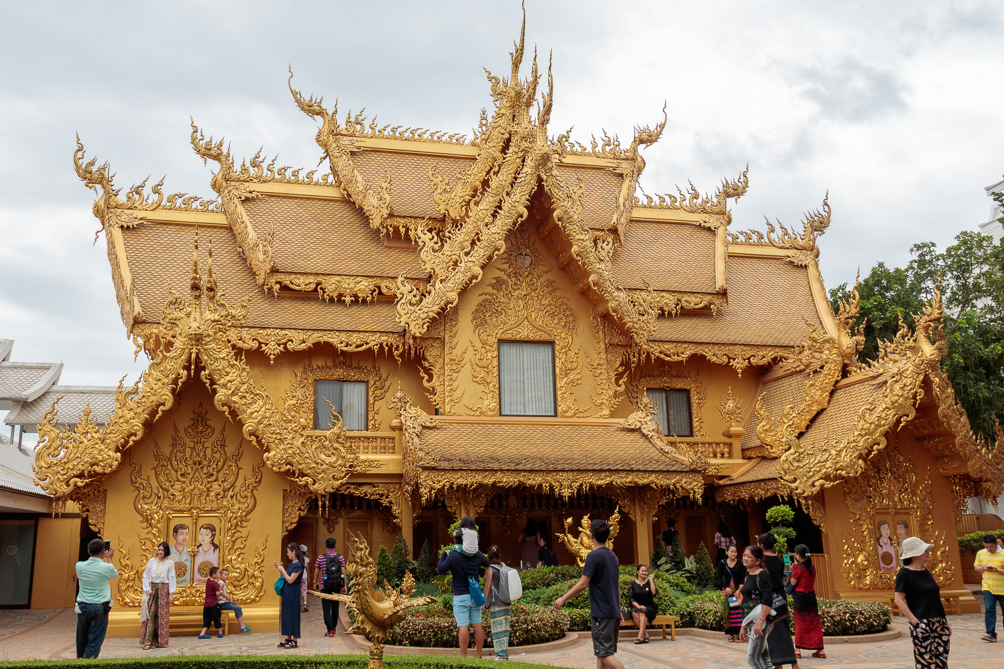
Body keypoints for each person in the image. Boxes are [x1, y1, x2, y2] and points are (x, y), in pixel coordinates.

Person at [554, 519, 625, 669]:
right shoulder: (613, 556)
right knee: (601, 652)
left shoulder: (593, 556)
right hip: (612, 612)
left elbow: (583, 583)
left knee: (605, 654)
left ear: (591, 535)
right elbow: (617, 584)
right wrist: (618, 609)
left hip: (602, 613)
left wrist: (563, 598)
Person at [895, 537, 950, 668]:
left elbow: (934, 597)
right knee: (926, 662)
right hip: (921, 621)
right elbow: (898, 599)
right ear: (915, 554)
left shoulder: (925, 572)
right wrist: (914, 621)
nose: (927, 552)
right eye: (924, 550)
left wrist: (944, 622)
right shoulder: (904, 574)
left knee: (941, 661)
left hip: (939, 621)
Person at [439, 527, 489, 657]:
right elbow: (487, 562)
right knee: (477, 625)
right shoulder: (476, 554)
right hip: (475, 596)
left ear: (456, 541)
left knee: (463, 626)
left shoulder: (454, 555)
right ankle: (478, 655)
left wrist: (444, 554)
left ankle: (463, 657)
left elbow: (440, 569)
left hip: (461, 596)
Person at [759, 533, 798, 669]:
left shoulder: (761, 561)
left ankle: (778, 664)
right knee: (784, 629)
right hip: (781, 597)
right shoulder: (780, 560)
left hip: (769, 598)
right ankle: (793, 662)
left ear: (762, 545)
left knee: (771, 632)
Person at [75, 538, 119, 659]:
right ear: (103, 551)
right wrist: (109, 558)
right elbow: (114, 574)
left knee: (81, 638)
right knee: (94, 640)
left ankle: (80, 661)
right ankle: (88, 663)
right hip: (99, 607)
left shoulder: (79, 566)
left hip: (83, 606)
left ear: (88, 552)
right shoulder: (106, 567)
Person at [738, 545, 777, 669]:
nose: (745, 558)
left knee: (752, 658)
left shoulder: (763, 575)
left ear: (758, 560)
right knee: (764, 657)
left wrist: (760, 621)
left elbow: (767, 599)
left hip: (759, 621)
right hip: (751, 620)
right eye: (744, 555)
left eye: (749, 556)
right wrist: (744, 624)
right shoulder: (748, 574)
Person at [789, 545, 824, 659]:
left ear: (798, 555)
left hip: (801, 597)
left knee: (800, 623)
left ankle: (797, 650)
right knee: (814, 623)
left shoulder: (798, 569)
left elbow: (793, 583)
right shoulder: (812, 567)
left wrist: (793, 569)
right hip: (811, 597)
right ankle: (820, 650)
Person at [140, 541, 176, 650]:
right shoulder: (151, 561)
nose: (160, 552)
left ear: (166, 551)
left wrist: (171, 593)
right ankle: (148, 641)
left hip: (164, 591)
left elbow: (172, 578)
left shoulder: (170, 563)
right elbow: (145, 575)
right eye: (159, 550)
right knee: (150, 615)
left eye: (163, 550)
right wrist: (147, 588)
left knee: (161, 617)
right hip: (152, 590)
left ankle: (158, 641)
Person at [313, 537, 347, 637]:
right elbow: (343, 572)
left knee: (326, 608)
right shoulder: (340, 557)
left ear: (325, 546)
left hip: (325, 585)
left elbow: (316, 572)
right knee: (335, 608)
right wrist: (344, 585)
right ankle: (334, 628)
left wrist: (315, 583)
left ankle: (329, 630)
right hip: (336, 585)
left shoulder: (321, 558)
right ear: (335, 546)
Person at [973, 533, 1004, 642]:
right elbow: (976, 567)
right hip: (988, 586)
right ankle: (990, 633)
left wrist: (998, 571)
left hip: (1002, 587)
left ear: (996, 544)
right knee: (989, 609)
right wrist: (983, 568)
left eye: (991, 546)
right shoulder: (981, 553)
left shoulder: (1003, 553)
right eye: (986, 546)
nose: (989, 549)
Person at [483, 545, 511, 660]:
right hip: (506, 602)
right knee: (504, 629)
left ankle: (501, 655)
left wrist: (483, 602)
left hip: (496, 603)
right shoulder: (503, 566)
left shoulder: (491, 569)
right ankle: (504, 653)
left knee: (497, 629)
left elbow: (488, 586)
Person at [274, 543, 305, 648]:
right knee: (287, 613)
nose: (287, 554)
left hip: (293, 591)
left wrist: (282, 571)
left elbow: (291, 580)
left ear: (294, 551)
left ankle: (294, 640)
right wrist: (280, 568)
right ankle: (288, 637)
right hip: (287, 591)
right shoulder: (291, 564)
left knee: (293, 614)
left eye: (288, 552)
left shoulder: (298, 565)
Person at [717, 544, 746, 642]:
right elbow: (719, 577)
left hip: (738, 591)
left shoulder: (740, 563)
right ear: (727, 552)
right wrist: (725, 588)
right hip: (728, 592)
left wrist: (740, 589)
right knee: (729, 612)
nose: (733, 554)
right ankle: (731, 634)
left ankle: (739, 634)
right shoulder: (722, 563)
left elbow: (744, 576)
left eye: (735, 552)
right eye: (731, 551)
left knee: (738, 612)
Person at [629, 564, 657, 644]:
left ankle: (640, 636)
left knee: (642, 611)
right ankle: (646, 634)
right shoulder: (633, 584)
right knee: (634, 612)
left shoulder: (649, 583)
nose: (644, 573)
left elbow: (654, 593)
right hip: (637, 606)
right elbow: (631, 599)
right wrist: (638, 606)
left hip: (649, 607)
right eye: (642, 571)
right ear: (638, 572)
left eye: (646, 571)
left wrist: (651, 581)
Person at [198, 566, 224, 639]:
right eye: (218, 573)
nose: (219, 575)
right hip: (213, 603)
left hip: (207, 604)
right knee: (216, 617)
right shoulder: (214, 583)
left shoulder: (208, 581)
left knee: (207, 619)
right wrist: (221, 587)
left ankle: (202, 633)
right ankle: (220, 632)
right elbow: (218, 593)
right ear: (214, 575)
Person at [299, 544, 311, 613]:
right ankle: (305, 603)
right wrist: (308, 577)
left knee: (298, 590)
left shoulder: (297, 558)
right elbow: (307, 569)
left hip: (298, 576)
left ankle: (299, 604)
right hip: (304, 576)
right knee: (304, 590)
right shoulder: (306, 559)